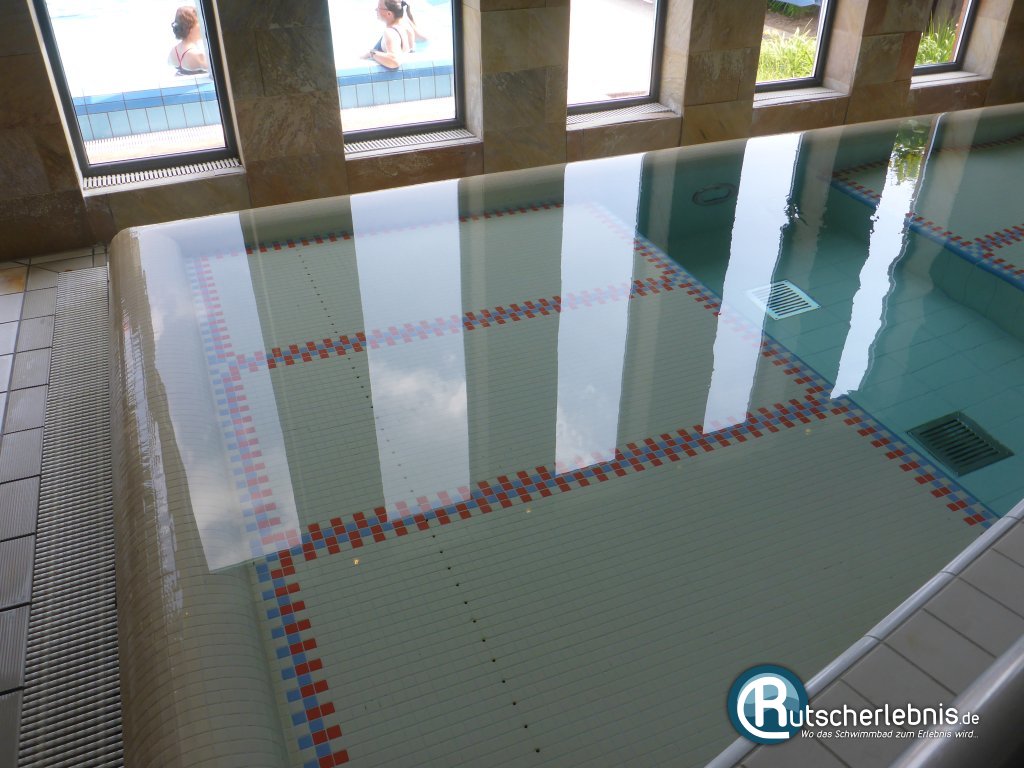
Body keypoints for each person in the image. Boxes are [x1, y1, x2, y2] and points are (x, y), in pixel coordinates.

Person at [364, 0, 417, 70]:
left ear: (389, 13)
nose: (376, 9)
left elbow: (394, 61)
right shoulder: (407, 28)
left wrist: (372, 53)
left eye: (379, 7)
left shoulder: (390, 32)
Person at [167, 6, 209, 75]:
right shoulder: (198, 56)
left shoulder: (172, 52)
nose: (204, 26)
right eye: (200, 22)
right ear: (190, 27)